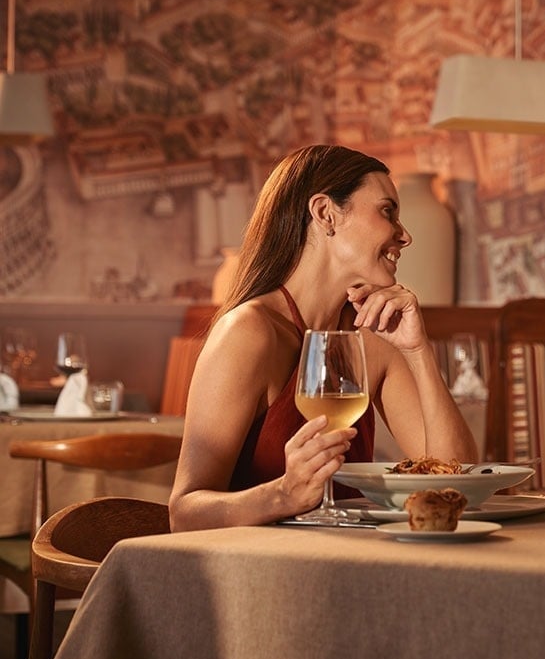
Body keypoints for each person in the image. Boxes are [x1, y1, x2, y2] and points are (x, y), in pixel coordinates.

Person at [169, 145, 478, 530]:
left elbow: (459, 486)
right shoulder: (249, 333)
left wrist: (417, 350)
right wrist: (283, 494)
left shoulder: (374, 337)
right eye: (387, 212)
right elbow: (184, 512)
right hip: (265, 574)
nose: (405, 236)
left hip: (354, 565)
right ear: (325, 213)